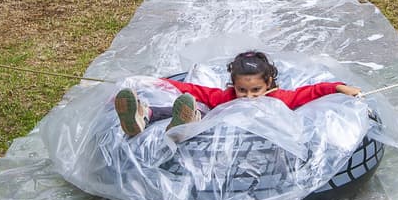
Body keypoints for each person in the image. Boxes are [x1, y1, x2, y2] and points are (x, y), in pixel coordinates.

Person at [113, 51, 362, 137]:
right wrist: (158, 83)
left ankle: (184, 126)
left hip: (252, 143)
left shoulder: (279, 99)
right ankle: (144, 115)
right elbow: (195, 89)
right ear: (233, 86)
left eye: (256, 90)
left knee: (200, 111)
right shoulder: (227, 97)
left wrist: (340, 87)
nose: (249, 97)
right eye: (242, 90)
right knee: (197, 107)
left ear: (269, 85)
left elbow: (311, 92)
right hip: (207, 131)